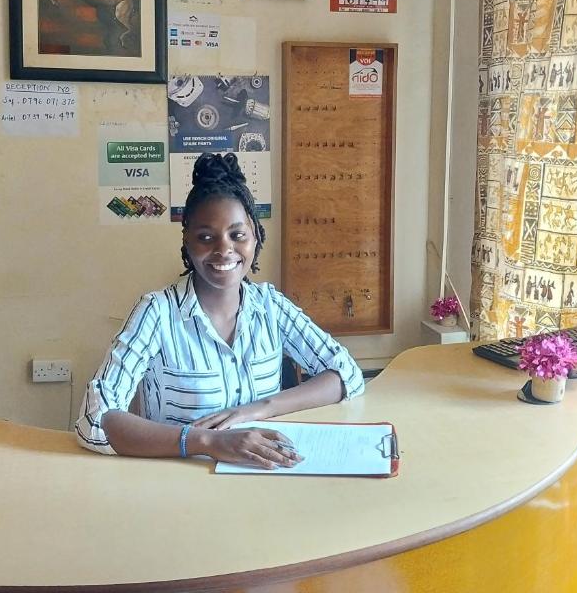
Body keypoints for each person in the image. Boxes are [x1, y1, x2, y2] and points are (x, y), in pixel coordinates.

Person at [75, 152, 365, 469]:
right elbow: (96, 420)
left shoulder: (270, 306)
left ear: (255, 237)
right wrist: (207, 441)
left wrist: (259, 408)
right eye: (206, 237)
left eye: (237, 235)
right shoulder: (156, 313)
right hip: (180, 489)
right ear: (187, 243)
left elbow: (346, 375)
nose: (223, 249)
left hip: (263, 480)